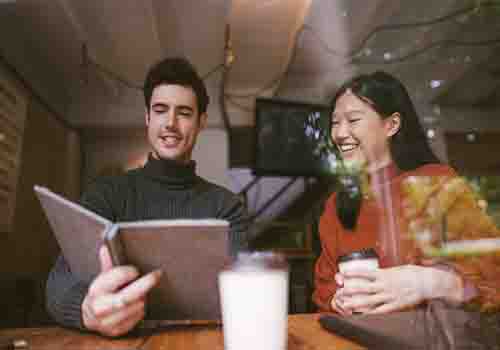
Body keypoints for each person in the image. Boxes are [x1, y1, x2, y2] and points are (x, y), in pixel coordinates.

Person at [46, 57, 249, 336]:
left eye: (185, 113)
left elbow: (246, 293)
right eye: (160, 110)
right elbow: (59, 280)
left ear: (201, 121)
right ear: (147, 117)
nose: (170, 123)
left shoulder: (228, 207)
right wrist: (86, 309)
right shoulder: (106, 193)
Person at [313, 71, 500, 315]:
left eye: (353, 120)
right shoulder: (337, 203)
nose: (339, 133)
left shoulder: (436, 183)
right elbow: (324, 289)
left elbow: (491, 280)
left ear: (391, 125)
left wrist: (429, 282)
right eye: (335, 122)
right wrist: (336, 300)